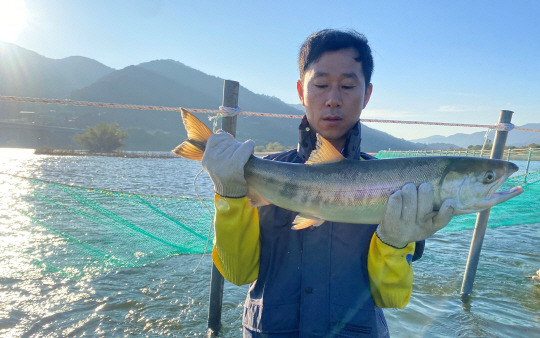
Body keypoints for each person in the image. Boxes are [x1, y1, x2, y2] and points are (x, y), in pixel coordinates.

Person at [202, 29, 456, 337]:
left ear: (367, 94)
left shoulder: (404, 190)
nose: (333, 99)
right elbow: (237, 272)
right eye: (320, 85)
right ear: (300, 91)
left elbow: (390, 297)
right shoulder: (269, 172)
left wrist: (394, 242)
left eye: (348, 86)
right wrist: (229, 196)